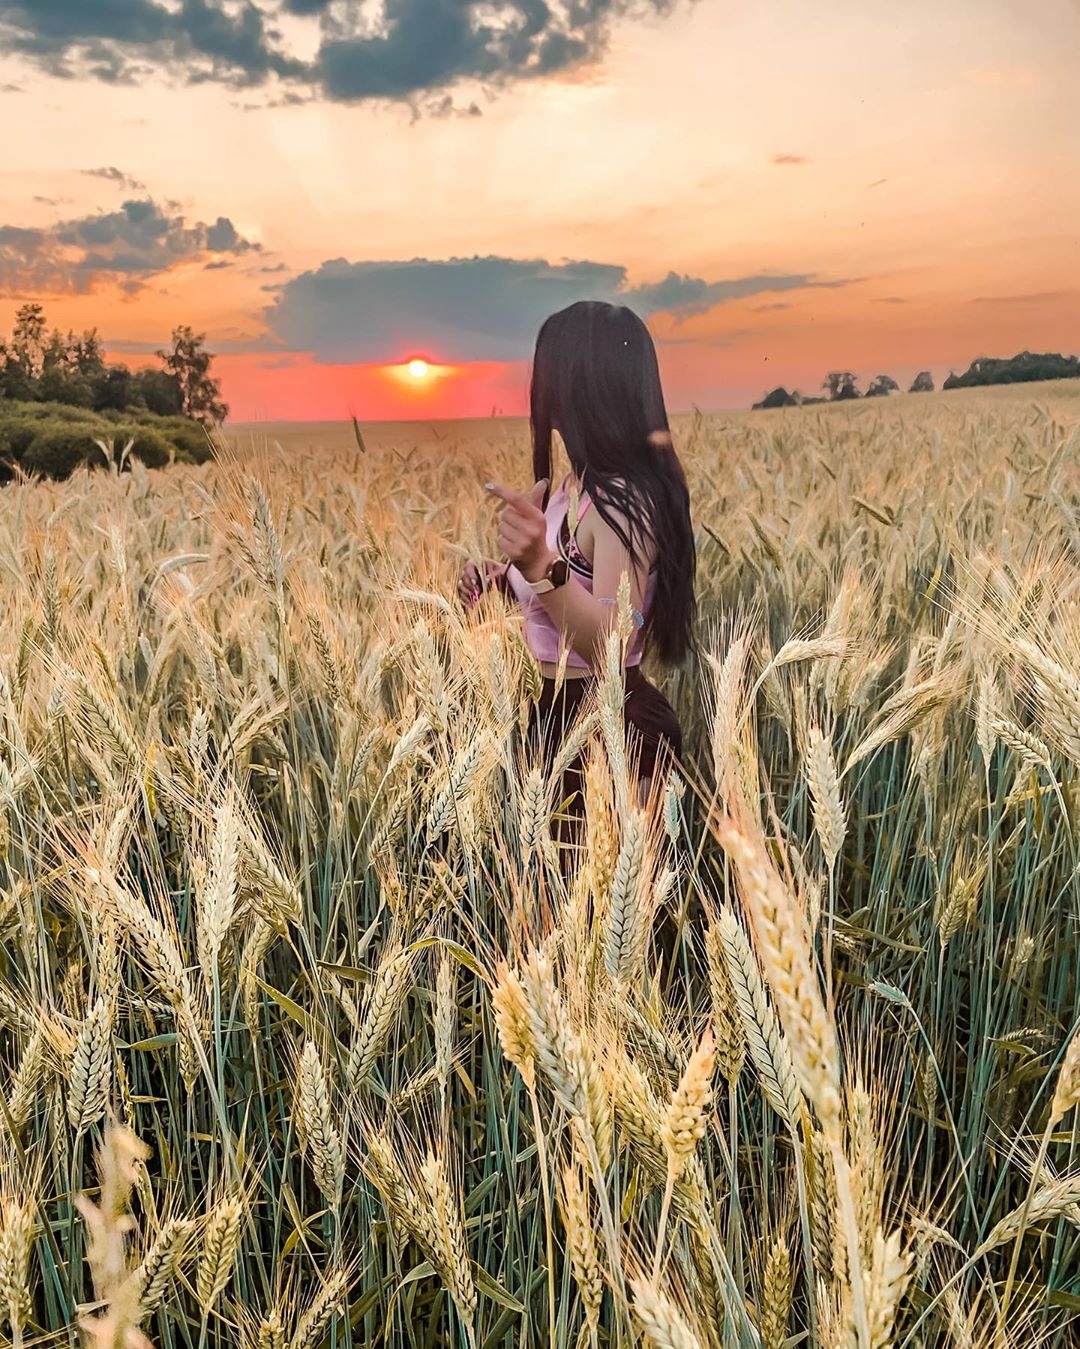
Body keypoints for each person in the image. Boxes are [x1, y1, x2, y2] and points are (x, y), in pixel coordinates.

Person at [458, 299, 696, 813]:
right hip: (549, 719)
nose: (545, 402)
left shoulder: (620, 503)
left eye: (551, 383)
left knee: (615, 892)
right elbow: (558, 595)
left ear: (585, 393)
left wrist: (541, 568)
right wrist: (503, 579)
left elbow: (615, 637)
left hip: (613, 730)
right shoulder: (573, 488)